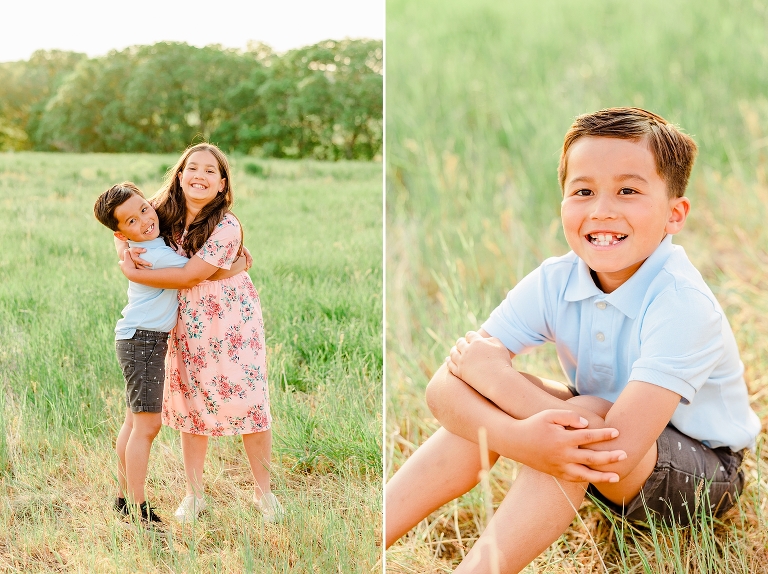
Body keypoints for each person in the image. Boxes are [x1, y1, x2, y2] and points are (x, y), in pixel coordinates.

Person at [385, 107, 761, 572]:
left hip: (702, 474)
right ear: (562, 201)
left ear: (674, 214)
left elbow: (614, 451)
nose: (602, 209)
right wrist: (517, 435)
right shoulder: (556, 280)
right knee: (545, 412)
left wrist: (499, 383)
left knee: (570, 415)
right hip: (597, 451)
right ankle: (370, 537)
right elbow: (443, 390)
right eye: (583, 191)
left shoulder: (682, 302)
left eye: (628, 190)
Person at [118, 143, 282, 524]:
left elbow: (192, 275)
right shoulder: (160, 212)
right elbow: (122, 222)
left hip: (231, 322)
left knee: (250, 403)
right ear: (179, 174)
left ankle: (265, 494)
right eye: (193, 168)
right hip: (185, 321)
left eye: (211, 171)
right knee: (193, 404)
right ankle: (194, 495)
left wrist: (136, 273)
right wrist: (122, 252)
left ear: (222, 184)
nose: (200, 176)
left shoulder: (227, 224)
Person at [93, 182, 189, 528]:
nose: (145, 221)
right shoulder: (153, 255)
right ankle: (136, 506)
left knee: (134, 422)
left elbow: (121, 235)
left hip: (137, 338)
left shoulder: (139, 245)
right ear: (122, 231)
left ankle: (123, 498)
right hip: (144, 341)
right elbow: (196, 273)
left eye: (145, 209)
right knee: (147, 425)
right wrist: (236, 265)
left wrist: (122, 246)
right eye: (132, 221)